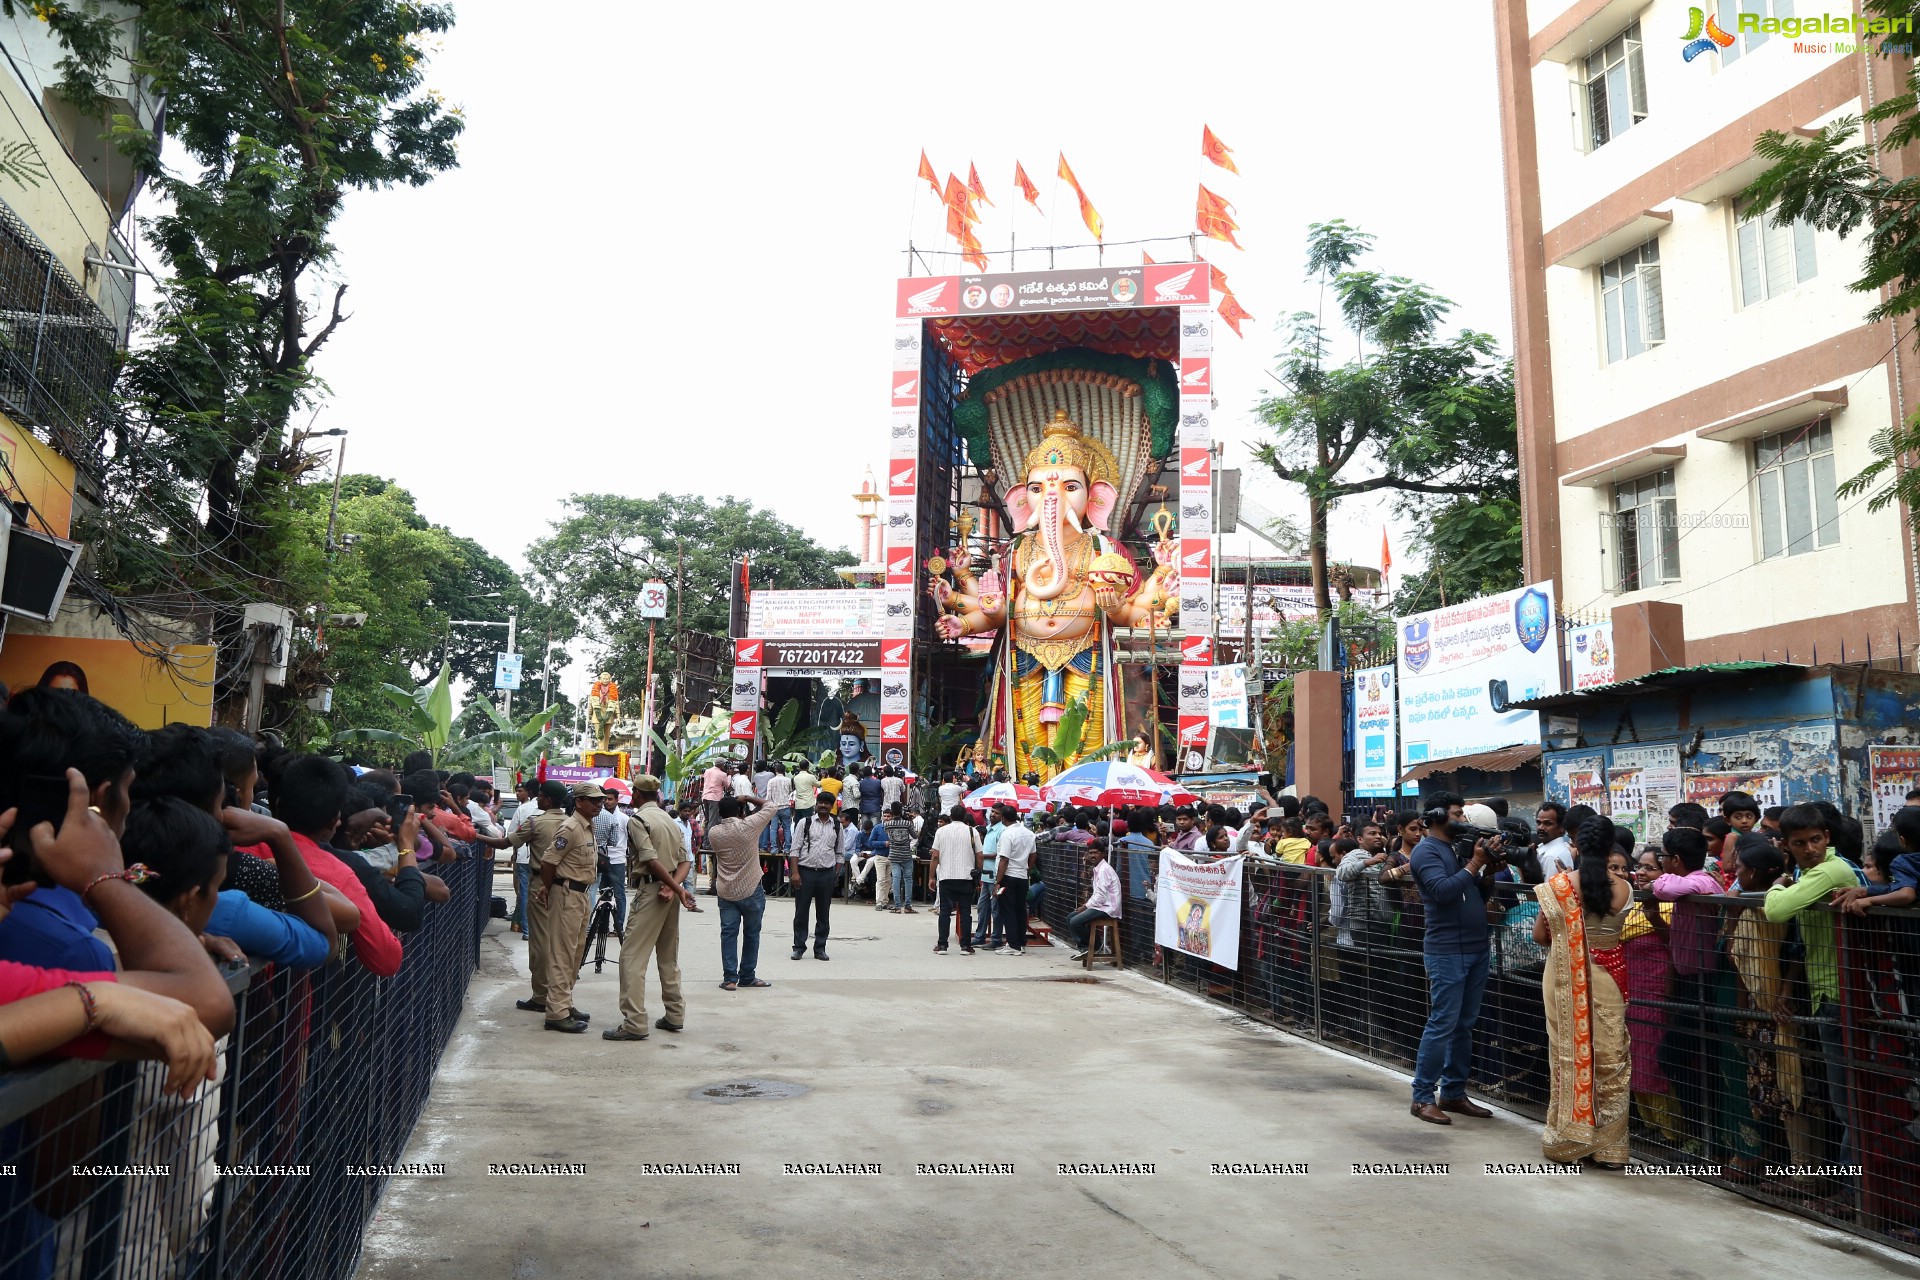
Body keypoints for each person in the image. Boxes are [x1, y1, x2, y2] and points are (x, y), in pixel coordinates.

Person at [1763, 802, 1863, 1180]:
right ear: (1787, 845)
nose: (1809, 849)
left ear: (1828, 838)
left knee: (1850, 1102)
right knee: (1843, 1101)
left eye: (1815, 840)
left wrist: (1777, 885)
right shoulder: (1811, 872)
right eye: (1800, 843)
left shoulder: (1828, 870)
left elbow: (1776, 910)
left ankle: (1854, 1190)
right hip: (1827, 993)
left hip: (1842, 993)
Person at [1531, 817, 1633, 1165]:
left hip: (1562, 979)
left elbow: (1541, 938)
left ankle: (1568, 1138)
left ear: (1575, 846)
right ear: (1610, 849)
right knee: (1610, 1058)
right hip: (1609, 978)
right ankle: (1610, 1148)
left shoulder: (1558, 886)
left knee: (1566, 1054)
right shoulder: (1623, 888)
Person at [1407, 792, 1499, 1125]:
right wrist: (1474, 864)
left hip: (1476, 947)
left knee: (1464, 1025)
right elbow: (1443, 892)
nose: (1464, 820)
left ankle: (1454, 1092)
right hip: (1447, 950)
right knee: (1443, 1024)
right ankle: (1422, 1097)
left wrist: (1487, 870)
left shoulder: (1457, 849)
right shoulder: (1426, 851)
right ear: (1438, 816)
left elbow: (1473, 893)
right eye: (1458, 814)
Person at [605, 776, 701, 1041]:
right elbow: (685, 861)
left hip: (653, 891)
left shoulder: (639, 820)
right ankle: (674, 1014)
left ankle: (634, 1022)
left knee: (631, 958)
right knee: (668, 956)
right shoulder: (669, 820)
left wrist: (675, 887)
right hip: (668, 891)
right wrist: (676, 886)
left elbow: (650, 859)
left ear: (636, 794)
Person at [529, 782, 603, 1033]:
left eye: (600, 800)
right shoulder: (570, 828)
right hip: (567, 893)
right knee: (562, 954)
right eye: (593, 800)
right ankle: (556, 1012)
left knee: (575, 953)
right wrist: (549, 888)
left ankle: (564, 1002)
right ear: (579, 802)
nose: (598, 804)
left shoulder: (588, 826)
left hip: (581, 895)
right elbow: (549, 862)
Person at [707, 792, 776, 991]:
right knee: (752, 934)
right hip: (751, 886)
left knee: (728, 934)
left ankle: (729, 978)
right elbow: (771, 807)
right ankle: (747, 976)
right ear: (739, 811)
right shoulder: (749, 826)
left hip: (726, 889)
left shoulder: (714, 833)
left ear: (719, 813)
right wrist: (747, 797)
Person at [790, 792, 842, 961]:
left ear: (832, 806)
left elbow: (840, 852)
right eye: (821, 802)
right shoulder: (805, 823)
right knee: (801, 912)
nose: (824, 805)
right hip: (805, 872)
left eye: (828, 803)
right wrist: (795, 873)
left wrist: (835, 873)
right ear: (816, 803)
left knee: (823, 913)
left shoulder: (837, 825)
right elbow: (795, 849)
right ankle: (799, 947)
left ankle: (820, 948)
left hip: (827, 873)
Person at [931, 806, 982, 955]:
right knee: (965, 912)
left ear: (951, 816)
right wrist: (978, 874)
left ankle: (942, 945)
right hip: (966, 877)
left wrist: (931, 877)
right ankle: (965, 946)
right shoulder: (973, 831)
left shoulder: (941, 831)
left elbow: (935, 856)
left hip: (946, 876)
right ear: (965, 816)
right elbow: (979, 856)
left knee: (945, 912)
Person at [994, 802, 1035, 955]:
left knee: (1008, 910)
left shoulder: (1007, 834)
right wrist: (1027, 870)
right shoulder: (1029, 833)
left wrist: (998, 882)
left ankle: (1013, 945)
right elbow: (1033, 855)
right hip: (1022, 877)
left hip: (1008, 877)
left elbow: (1004, 860)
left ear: (1003, 818)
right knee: (1020, 910)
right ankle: (1020, 942)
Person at [1068, 842, 1121, 960]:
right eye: (1090, 853)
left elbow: (1100, 896)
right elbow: (1097, 894)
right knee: (1071, 917)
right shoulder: (1098, 869)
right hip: (1101, 905)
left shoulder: (1104, 870)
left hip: (1108, 907)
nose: (1092, 856)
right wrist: (1086, 906)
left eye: (1095, 853)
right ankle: (1093, 946)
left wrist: (1085, 907)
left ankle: (1086, 948)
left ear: (1102, 854)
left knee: (1075, 921)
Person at [882, 802, 917, 913]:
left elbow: (887, 834)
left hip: (893, 854)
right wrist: (910, 820)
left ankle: (897, 906)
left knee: (896, 879)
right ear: (902, 810)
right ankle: (907, 906)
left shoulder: (887, 824)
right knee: (908, 880)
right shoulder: (907, 823)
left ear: (892, 812)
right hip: (906, 854)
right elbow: (915, 835)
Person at [763, 761, 794, 858]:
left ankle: (774, 848)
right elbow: (790, 792)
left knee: (773, 829)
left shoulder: (771, 781)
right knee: (787, 828)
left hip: (774, 808)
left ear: (776, 770)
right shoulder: (788, 780)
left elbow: (768, 796)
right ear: (784, 771)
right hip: (785, 807)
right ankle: (787, 848)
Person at [1535, 801, 1572, 878]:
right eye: (1539, 823)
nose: (1540, 827)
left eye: (1547, 823)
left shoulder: (1552, 856)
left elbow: (1549, 889)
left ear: (1561, 828)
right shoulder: (1559, 849)